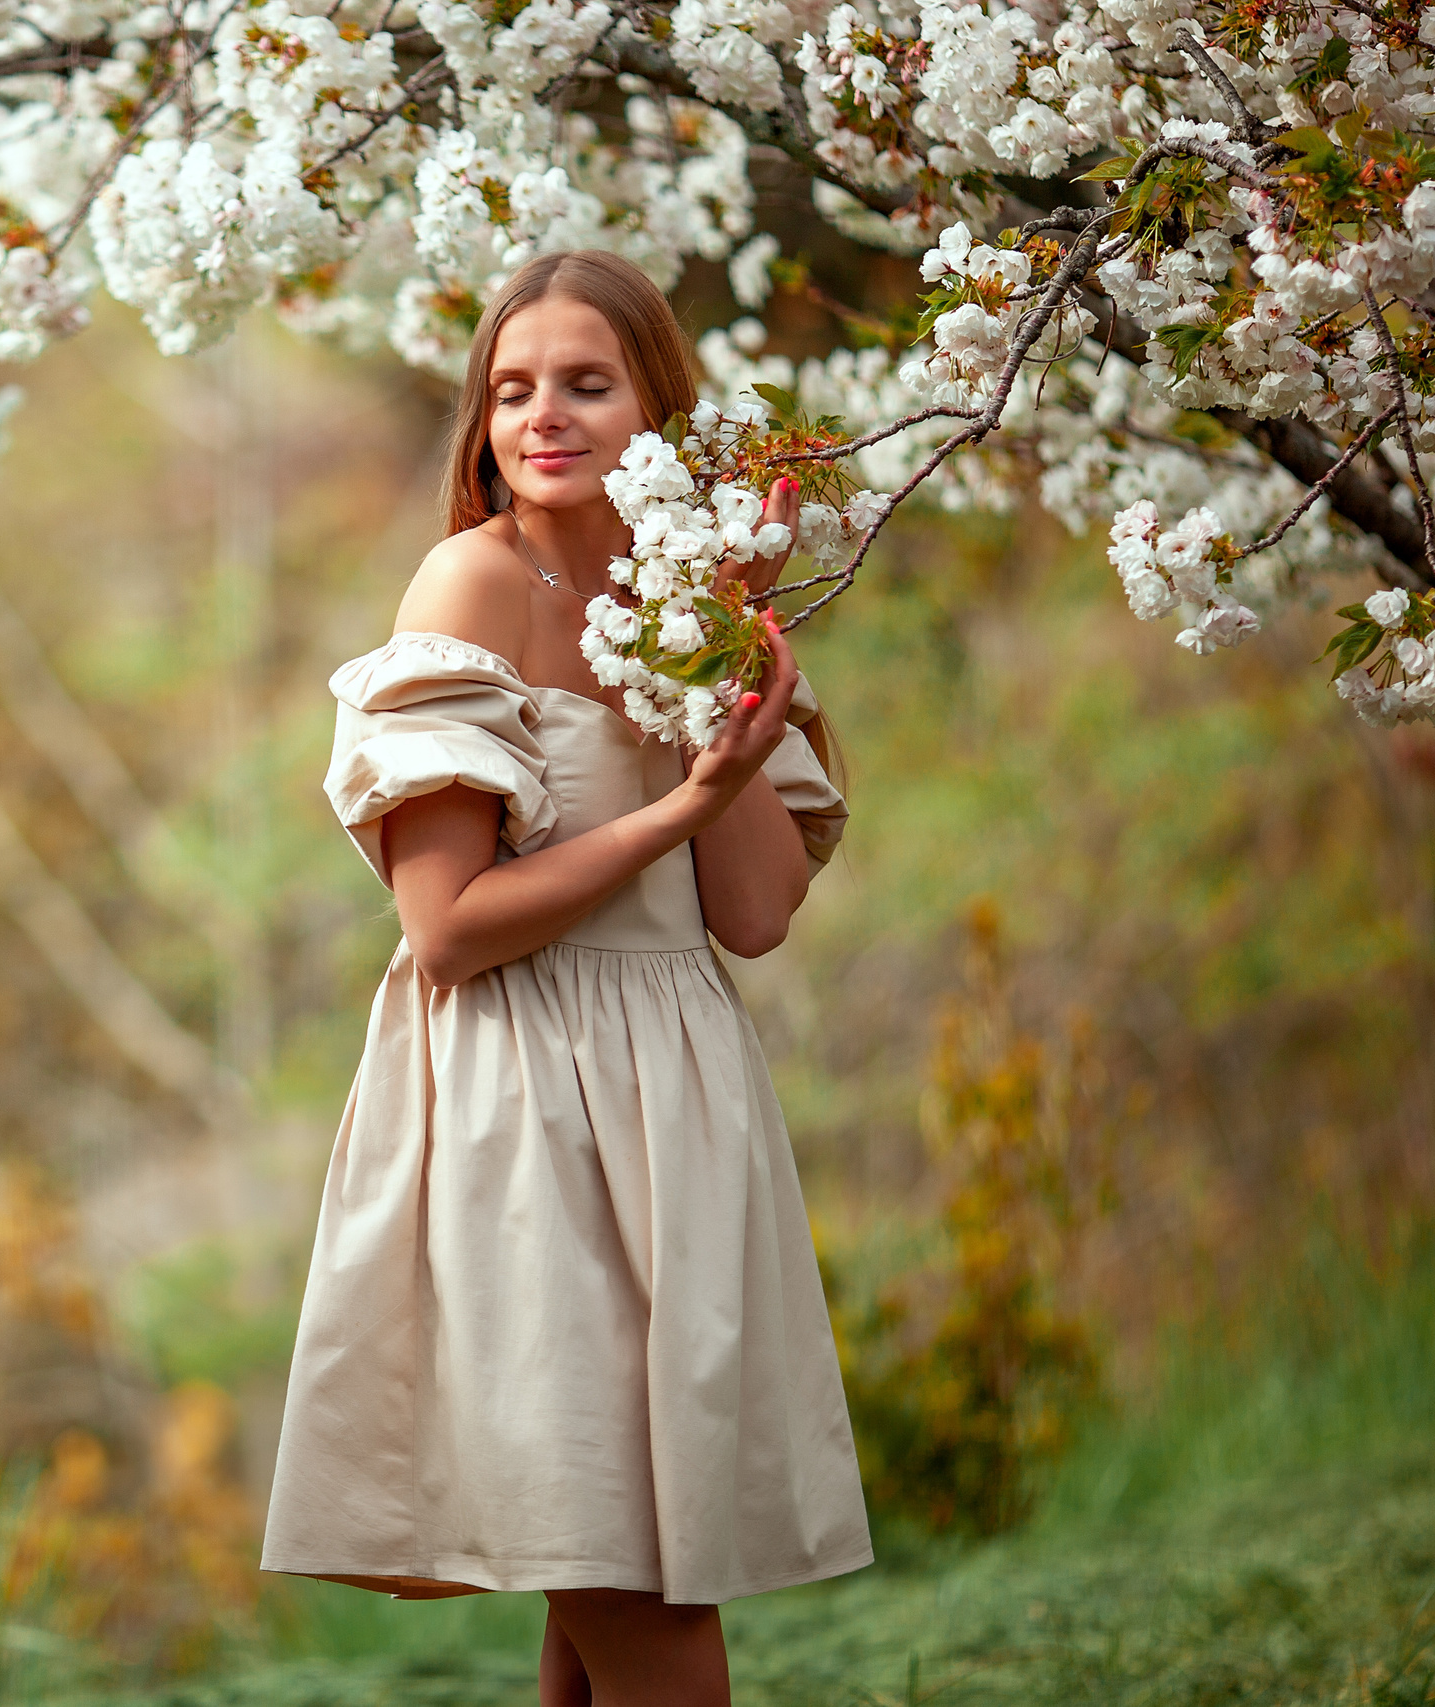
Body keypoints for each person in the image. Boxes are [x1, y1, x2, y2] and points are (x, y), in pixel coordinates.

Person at [258, 251, 873, 1707]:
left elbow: (754, 916)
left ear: (658, 407)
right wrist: (675, 802)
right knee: (648, 1612)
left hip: (675, 1100)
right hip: (522, 1106)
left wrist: (711, 657)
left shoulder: (690, 595)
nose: (543, 416)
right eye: (511, 390)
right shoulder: (472, 582)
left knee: (623, 1575)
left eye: (587, 384)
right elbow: (449, 927)